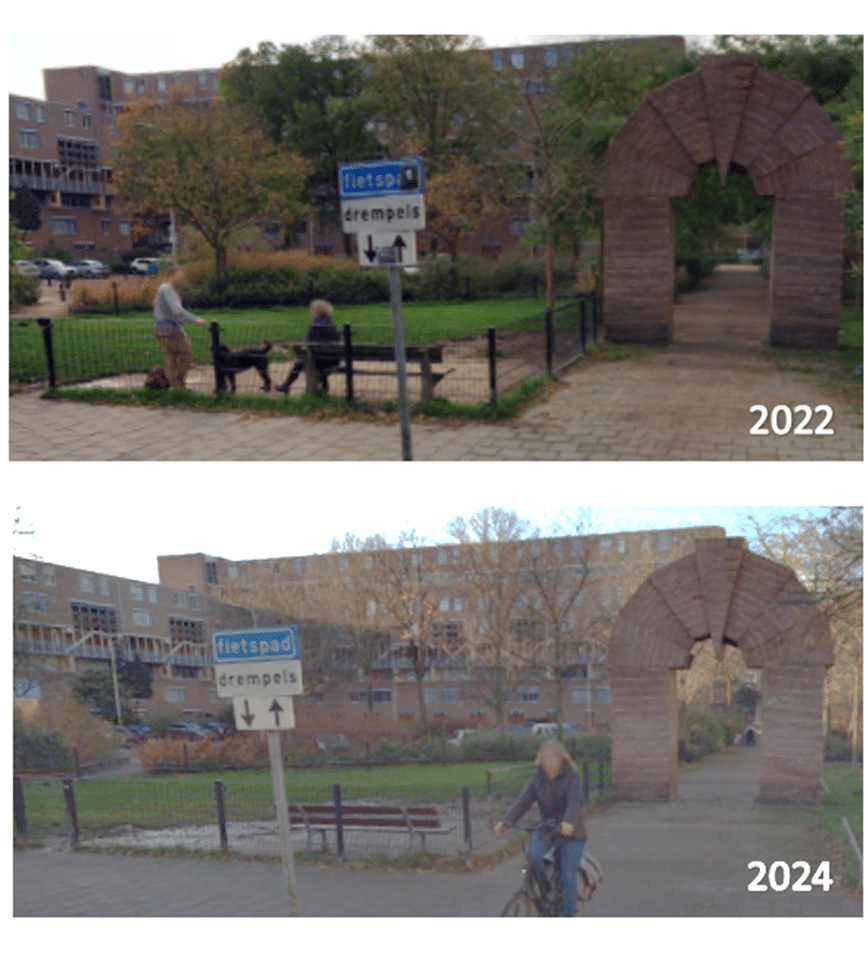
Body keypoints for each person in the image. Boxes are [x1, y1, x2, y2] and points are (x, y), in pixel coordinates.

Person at [494, 739, 587, 917]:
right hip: (547, 828)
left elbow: (575, 802)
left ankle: (568, 917)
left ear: (561, 759)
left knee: (568, 875)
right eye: (544, 759)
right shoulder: (538, 777)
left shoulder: (571, 777)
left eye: (551, 758)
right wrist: (506, 821)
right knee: (532, 856)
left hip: (572, 833)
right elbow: (524, 801)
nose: (547, 763)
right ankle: (545, 892)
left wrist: (568, 821)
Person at [152, 266, 208, 389]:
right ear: (172, 275)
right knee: (186, 357)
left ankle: (177, 387)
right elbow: (177, 311)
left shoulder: (167, 290)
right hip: (170, 330)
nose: (184, 278)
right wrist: (195, 319)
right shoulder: (167, 289)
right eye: (181, 275)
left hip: (163, 329)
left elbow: (173, 312)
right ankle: (176, 385)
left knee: (172, 360)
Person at [275, 299, 341, 394]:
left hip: (318, 361)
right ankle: (324, 388)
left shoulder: (315, 324)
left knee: (303, 360)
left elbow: (308, 343)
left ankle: (286, 385)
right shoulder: (333, 325)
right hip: (333, 361)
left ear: (315, 310)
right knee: (321, 354)